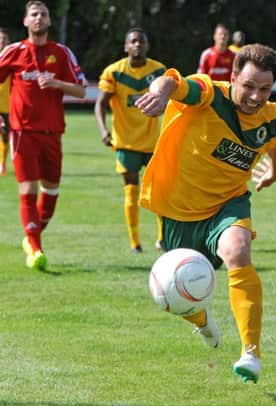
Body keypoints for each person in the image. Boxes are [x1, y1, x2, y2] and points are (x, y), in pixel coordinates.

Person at [135, 44, 276, 384]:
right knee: (173, 294)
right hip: (179, 210)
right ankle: (202, 321)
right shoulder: (209, 94)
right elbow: (174, 82)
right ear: (233, 78)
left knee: (238, 251)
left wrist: (274, 172)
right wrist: (159, 92)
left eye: (264, 88)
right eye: (248, 86)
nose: (255, 96)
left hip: (227, 204)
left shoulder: (273, 118)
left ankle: (251, 353)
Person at [0, 1, 86, 270]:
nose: (39, 18)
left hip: (53, 133)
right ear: (25, 21)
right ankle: (36, 249)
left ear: (49, 21)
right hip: (23, 132)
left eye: (43, 14)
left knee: (51, 191)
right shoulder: (13, 51)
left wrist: (56, 83)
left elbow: (81, 91)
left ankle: (31, 237)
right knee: (28, 190)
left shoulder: (61, 53)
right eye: (34, 14)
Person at [94, 28, 166, 254]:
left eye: (141, 42)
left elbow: (174, 101)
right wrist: (104, 130)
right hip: (125, 142)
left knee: (160, 192)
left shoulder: (159, 71)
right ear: (126, 46)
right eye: (133, 41)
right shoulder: (114, 72)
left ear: (147, 46)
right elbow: (101, 103)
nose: (137, 45)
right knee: (131, 191)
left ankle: (163, 239)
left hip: (154, 142)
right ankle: (135, 242)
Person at [0, 28, 10, 176]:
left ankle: (2, 163)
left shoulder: (11, 60)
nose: (1, 42)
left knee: (5, 135)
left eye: (3, 39)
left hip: (7, 105)